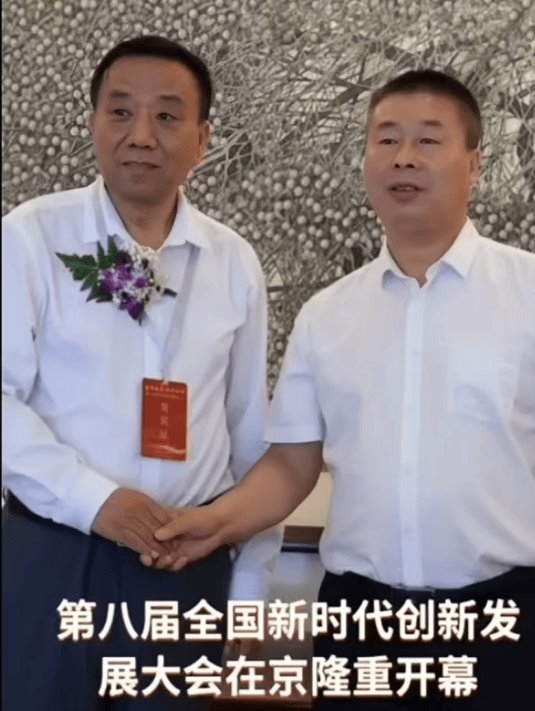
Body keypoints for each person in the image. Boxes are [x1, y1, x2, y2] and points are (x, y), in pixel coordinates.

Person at [154, 69, 535, 710]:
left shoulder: (526, 293)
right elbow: (291, 465)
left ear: (474, 163)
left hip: (504, 617)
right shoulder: (327, 314)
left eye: (428, 140)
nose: (403, 157)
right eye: (386, 139)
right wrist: (216, 524)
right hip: (361, 621)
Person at [2, 35, 281, 710]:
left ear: (202, 139)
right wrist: (96, 501)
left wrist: (250, 591)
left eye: (167, 116)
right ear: (94, 123)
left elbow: (250, 434)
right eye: (121, 112)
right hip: (57, 557)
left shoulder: (232, 261)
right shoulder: (31, 236)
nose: (141, 135)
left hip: (186, 563)